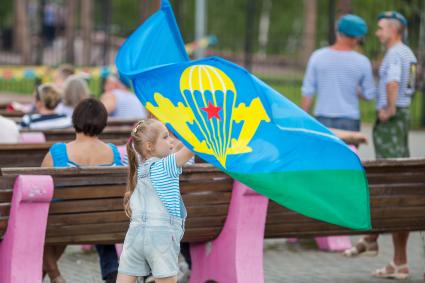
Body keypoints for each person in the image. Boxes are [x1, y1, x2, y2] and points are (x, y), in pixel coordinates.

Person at [343, 12, 417, 280]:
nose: (376, 33)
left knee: (392, 182)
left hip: (393, 120)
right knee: (397, 180)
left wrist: (388, 108)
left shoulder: (395, 53)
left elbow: (393, 81)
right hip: (401, 119)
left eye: (381, 28)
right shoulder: (406, 52)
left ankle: (381, 246)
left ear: (394, 30)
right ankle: (388, 252)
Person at [41, 98, 123, 283]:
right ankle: (112, 273)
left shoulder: (58, 152)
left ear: (75, 119)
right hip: (103, 223)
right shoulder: (114, 153)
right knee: (100, 213)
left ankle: (55, 276)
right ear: (103, 123)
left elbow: (42, 188)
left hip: (63, 223)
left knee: (42, 219)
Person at [117, 119, 194, 283]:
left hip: (134, 236)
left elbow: (178, 149)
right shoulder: (166, 166)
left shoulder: (141, 168)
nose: (171, 141)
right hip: (161, 237)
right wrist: (197, 130)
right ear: (149, 146)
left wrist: (175, 144)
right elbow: (191, 149)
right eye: (166, 137)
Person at [301, 14, 375, 132]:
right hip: (350, 120)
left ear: (338, 32)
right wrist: (358, 91)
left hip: (322, 118)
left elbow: (308, 91)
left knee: (323, 151)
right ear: (357, 38)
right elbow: (369, 94)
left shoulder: (318, 56)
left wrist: (302, 120)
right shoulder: (362, 62)